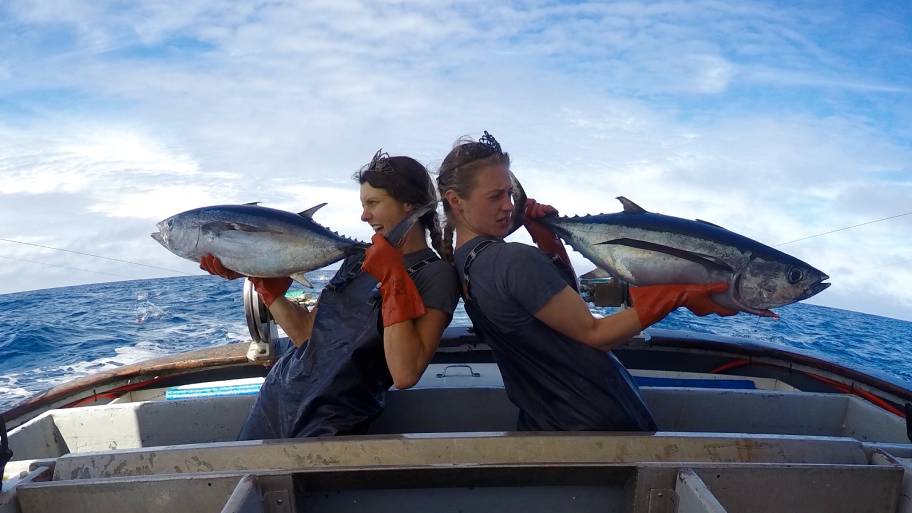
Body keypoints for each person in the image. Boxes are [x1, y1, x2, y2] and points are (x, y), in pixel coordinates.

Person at [437, 132, 737, 431]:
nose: (508, 206)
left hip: (547, 423)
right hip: (593, 426)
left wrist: (547, 240)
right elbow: (596, 333)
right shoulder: (512, 260)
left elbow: (565, 309)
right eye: (495, 196)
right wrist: (677, 293)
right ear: (456, 201)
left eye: (509, 194)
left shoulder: (465, 265)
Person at [201, 151, 460, 439]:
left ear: (409, 205)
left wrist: (393, 278)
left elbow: (405, 373)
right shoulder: (357, 260)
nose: (364, 216)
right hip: (277, 401)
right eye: (363, 205)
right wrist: (265, 286)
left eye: (373, 203)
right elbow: (307, 335)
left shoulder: (436, 276)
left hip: (333, 423)